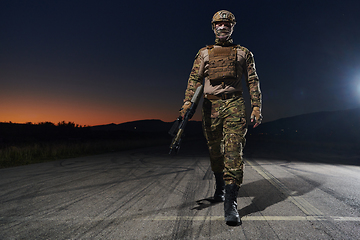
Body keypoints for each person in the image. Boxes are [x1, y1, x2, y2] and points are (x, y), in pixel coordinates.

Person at [179, 10, 262, 226]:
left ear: (232, 27)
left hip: (234, 104)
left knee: (233, 150)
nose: (223, 27)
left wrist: (256, 107)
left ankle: (230, 205)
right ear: (213, 27)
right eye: (219, 24)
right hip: (210, 106)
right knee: (215, 151)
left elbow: (252, 80)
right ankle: (219, 187)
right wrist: (187, 103)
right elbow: (194, 80)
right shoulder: (204, 54)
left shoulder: (244, 53)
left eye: (227, 24)